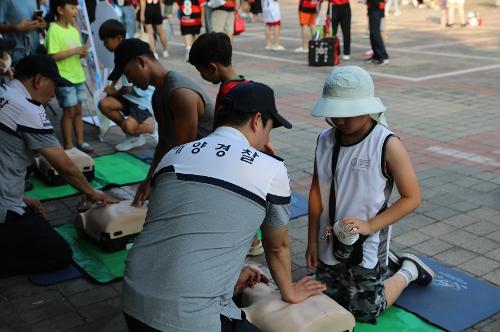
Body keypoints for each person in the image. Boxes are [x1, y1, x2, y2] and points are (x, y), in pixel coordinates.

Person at [122, 81, 326, 331]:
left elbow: (177, 232)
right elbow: (277, 247)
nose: (266, 139)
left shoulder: (174, 154)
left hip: (132, 300)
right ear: (257, 120)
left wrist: (229, 277)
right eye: (269, 130)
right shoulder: (270, 168)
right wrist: (291, 293)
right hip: (188, 318)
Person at [306, 66, 434, 323]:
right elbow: (317, 192)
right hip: (330, 235)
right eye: (333, 113)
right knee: (330, 300)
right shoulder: (324, 139)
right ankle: (388, 263)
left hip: (368, 240)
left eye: (346, 114)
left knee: (365, 310)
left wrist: (370, 225)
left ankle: (407, 270)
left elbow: (412, 197)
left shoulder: (387, 144)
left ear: (367, 107)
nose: (339, 121)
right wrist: (311, 241)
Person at [0, 55, 118, 278]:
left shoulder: (5, 92)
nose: (54, 94)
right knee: (58, 253)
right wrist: (92, 193)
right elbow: (65, 167)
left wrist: (18, 197)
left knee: (35, 219)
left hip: (6, 197)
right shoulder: (26, 109)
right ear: (38, 80)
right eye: (53, 85)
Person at [108, 38, 215, 206]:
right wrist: (149, 180)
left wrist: (162, 188)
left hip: (210, 172)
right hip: (194, 167)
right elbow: (164, 142)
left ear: (141, 62)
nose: (129, 81)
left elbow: (184, 154)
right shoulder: (157, 95)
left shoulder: (180, 93)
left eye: (128, 73)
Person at [189, 31, 266, 256]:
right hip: (243, 155)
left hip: (235, 158)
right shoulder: (244, 84)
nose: (201, 75)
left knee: (239, 199)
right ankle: (251, 239)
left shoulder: (230, 91)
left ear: (212, 67)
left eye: (200, 70)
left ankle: (251, 242)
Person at [98, 19, 156, 152]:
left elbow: (126, 88)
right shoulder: (124, 46)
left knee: (129, 126)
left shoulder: (128, 53)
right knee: (104, 104)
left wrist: (113, 91)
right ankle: (132, 134)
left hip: (143, 99)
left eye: (106, 41)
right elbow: (118, 72)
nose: (105, 45)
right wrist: (111, 86)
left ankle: (155, 129)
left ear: (118, 39)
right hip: (131, 96)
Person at [46, 0, 93, 153]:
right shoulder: (53, 30)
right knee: (69, 111)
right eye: (72, 8)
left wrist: (81, 53)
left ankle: (80, 141)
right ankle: (68, 145)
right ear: (60, 9)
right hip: (64, 78)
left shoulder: (73, 30)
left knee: (78, 110)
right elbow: (52, 57)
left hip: (78, 76)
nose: (75, 11)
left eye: (76, 8)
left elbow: (75, 53)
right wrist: (74, 51)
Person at [366, 0, 389, 65]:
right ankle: (376, 55)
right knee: (372, 34)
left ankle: (384, 56)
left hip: (377, 8)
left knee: (375, 33)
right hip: (372, 7)